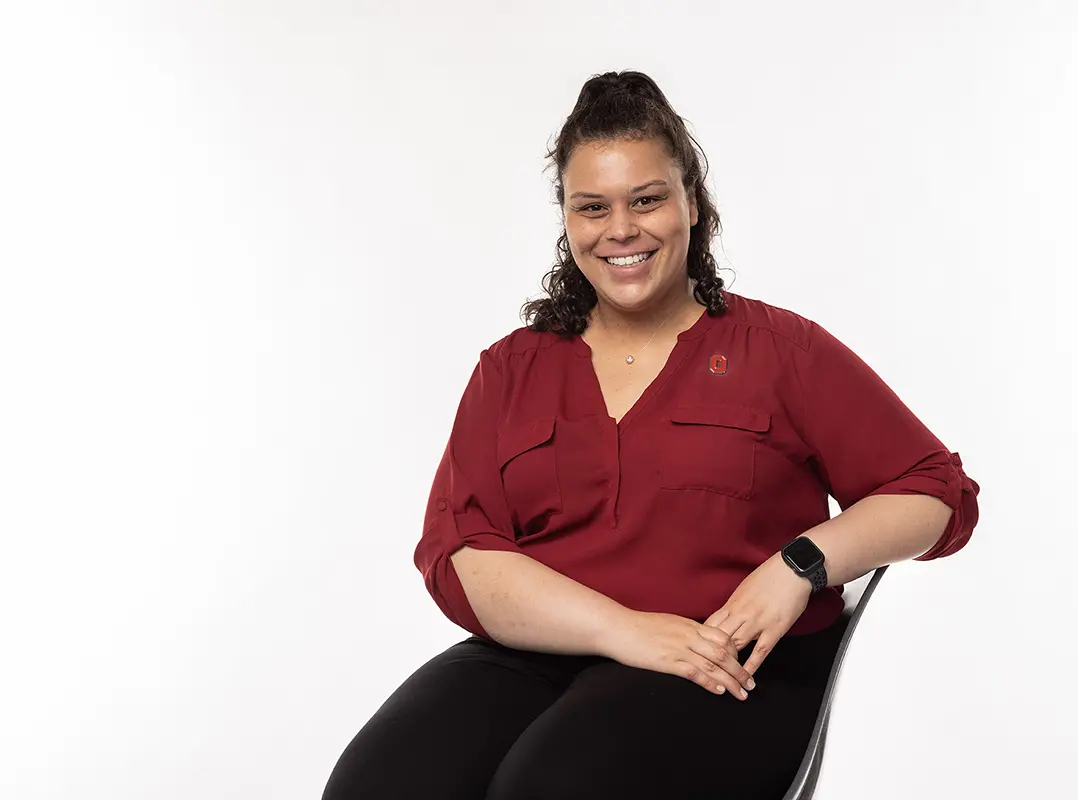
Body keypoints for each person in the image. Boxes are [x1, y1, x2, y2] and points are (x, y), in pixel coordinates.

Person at [322, 70, 981, 800]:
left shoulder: (781, 352)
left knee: (552, 788)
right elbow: (460, 552)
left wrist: (798, 564)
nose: (621, 229)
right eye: (592, 208)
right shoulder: (511, 369)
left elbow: (935, 494)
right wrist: (621, 630)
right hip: (546, 652)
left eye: (647, 199)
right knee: (377, 786)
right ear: (567, 220)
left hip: (726, 661)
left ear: (691, 204)